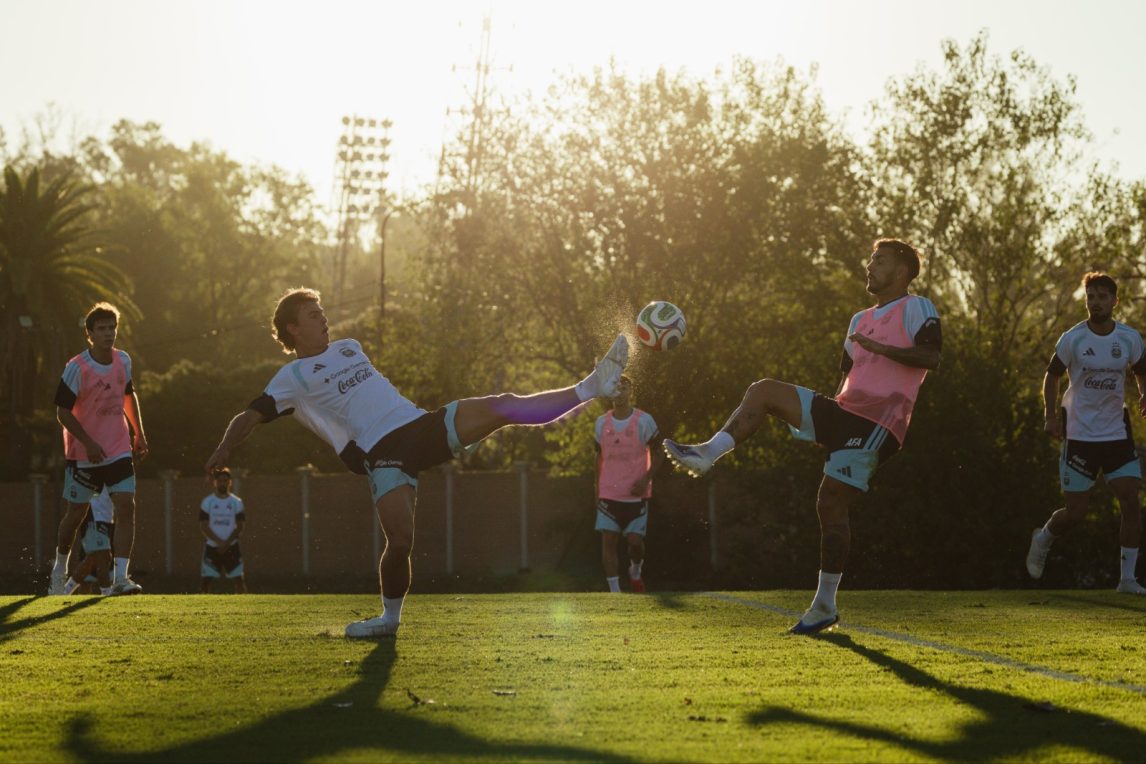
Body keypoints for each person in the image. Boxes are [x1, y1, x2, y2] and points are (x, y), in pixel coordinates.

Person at [205, 287, 629, 638]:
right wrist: (224, 449)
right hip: (383, 451)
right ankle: (389, 620)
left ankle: (592, 386)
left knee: (504, 407)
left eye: (323, 312)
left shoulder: (350, 347)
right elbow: (250, 416)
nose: (324, 320)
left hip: (421, 427)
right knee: (402, 540)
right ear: (293, 328)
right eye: (314, 315)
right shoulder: (290, 379)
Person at [662, 239, 941, 634]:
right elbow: (845, 377)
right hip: (844, 414)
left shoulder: (918, 307)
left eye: (879, 260)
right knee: (764, 390)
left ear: (901, 271)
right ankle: (707, 452)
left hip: (878, 423)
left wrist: (879, 348)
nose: (869, 265)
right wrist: (826, 426)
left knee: (830, 501)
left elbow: (932, 357)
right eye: (871, 258)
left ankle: (825, 604)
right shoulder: (859, 319)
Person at [1026, 272, 1146, 592]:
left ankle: (1127, 580)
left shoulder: (1129, 339)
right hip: (1079, 433)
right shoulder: (1073, 338)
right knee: (1076, 512)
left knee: (1130, 500)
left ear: (1114, 301)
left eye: (1102, 296)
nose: (1095, 302)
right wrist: (1051, 416)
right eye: (1090, 297)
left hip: (1116, 432)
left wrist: (1144, 393)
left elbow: (1141, 371)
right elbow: (1051, 377)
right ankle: (1045, 536)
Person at [49, 302, 149, 596]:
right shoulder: (76, 367)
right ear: (89, 334)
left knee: (126, 507)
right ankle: (59, 568)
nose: (109, 333)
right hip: (83, 455)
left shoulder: (123, 361)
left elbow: (128, 395)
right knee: (75, 515)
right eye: (102, 329)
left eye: (112, 327)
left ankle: (121, 578)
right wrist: (89, 443)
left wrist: (138, 432)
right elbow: (62, 413)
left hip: (118, 449)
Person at [593, 374, 665, 593]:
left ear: (631, 391)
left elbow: (660, 451)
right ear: (610, 391)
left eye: (624, 387)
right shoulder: (601, 423)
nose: (620, 391)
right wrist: (596, 488)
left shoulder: (644, 420)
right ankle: (615, 593)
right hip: (608, 493)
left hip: (636, 494)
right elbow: (597, 457)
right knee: (609, 541)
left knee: (635, 542)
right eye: (615, 387)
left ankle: (635, 569)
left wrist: (646, 479)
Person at [200, 467, 248, 594]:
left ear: (230, 482)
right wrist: (219, 542)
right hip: (212, 547)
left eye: (225, 480)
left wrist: (226, 544)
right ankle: (203, 610)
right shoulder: (207, 502)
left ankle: (244, 609)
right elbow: (204, 526)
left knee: (239, 579)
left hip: (231, 547)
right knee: (206, 581)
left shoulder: (236, 502)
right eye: (220, 480)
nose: (223, 483)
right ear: (215, 482)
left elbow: (240, 526)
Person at [64, 488, 115, 595]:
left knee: (98, 557)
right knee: (101, 555)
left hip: (105, 517)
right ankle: (107, 593)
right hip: (95, 515)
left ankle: (64, 591)